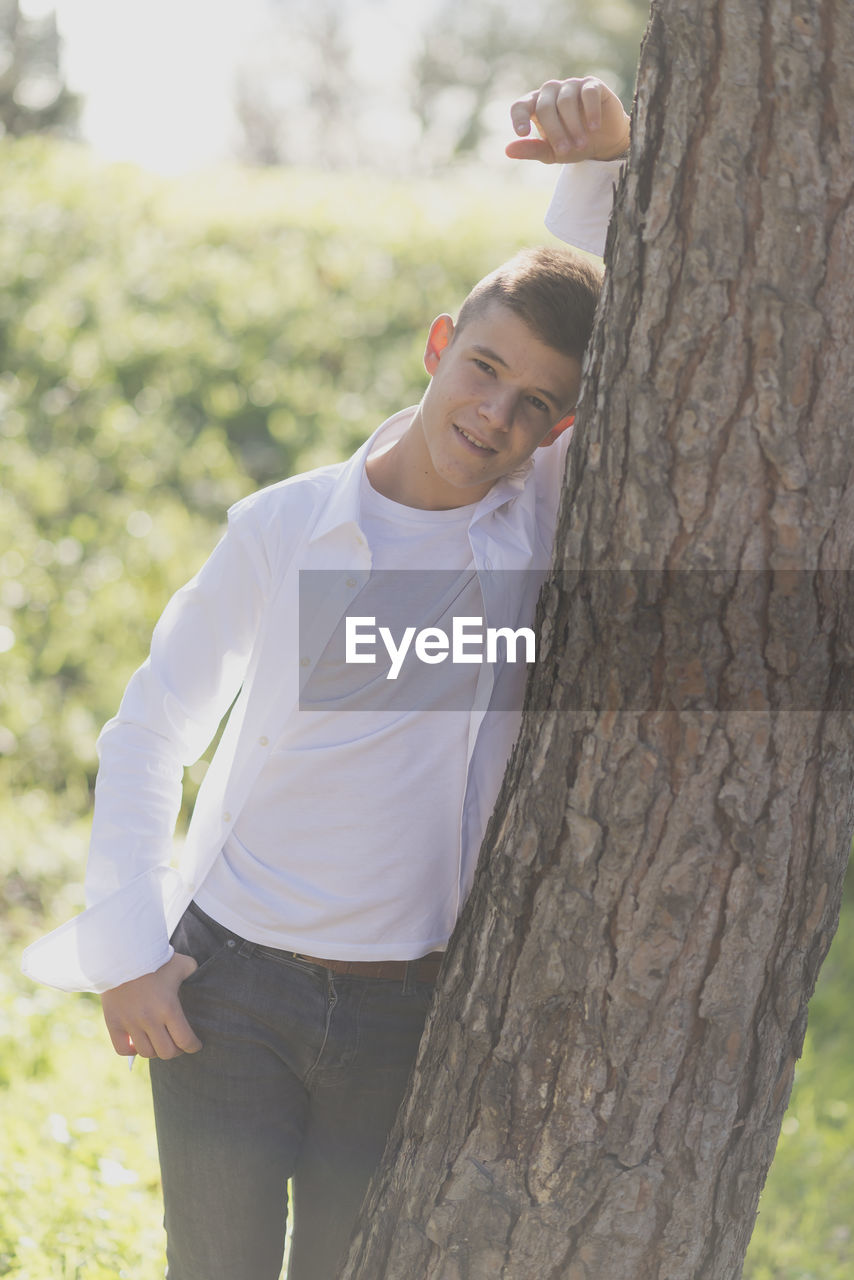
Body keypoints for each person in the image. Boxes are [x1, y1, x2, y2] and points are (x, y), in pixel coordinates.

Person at [23, 77, 630, 1280]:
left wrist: (605, 169)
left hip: (406, 1011)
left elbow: (669, 333)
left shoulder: (529, 533)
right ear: (438, 347)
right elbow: (151, 728)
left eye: (533, 406)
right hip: (232, 988)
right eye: (483, 371)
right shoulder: (281, 529)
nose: (494, 414)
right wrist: (131, 949)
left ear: (557, 431)